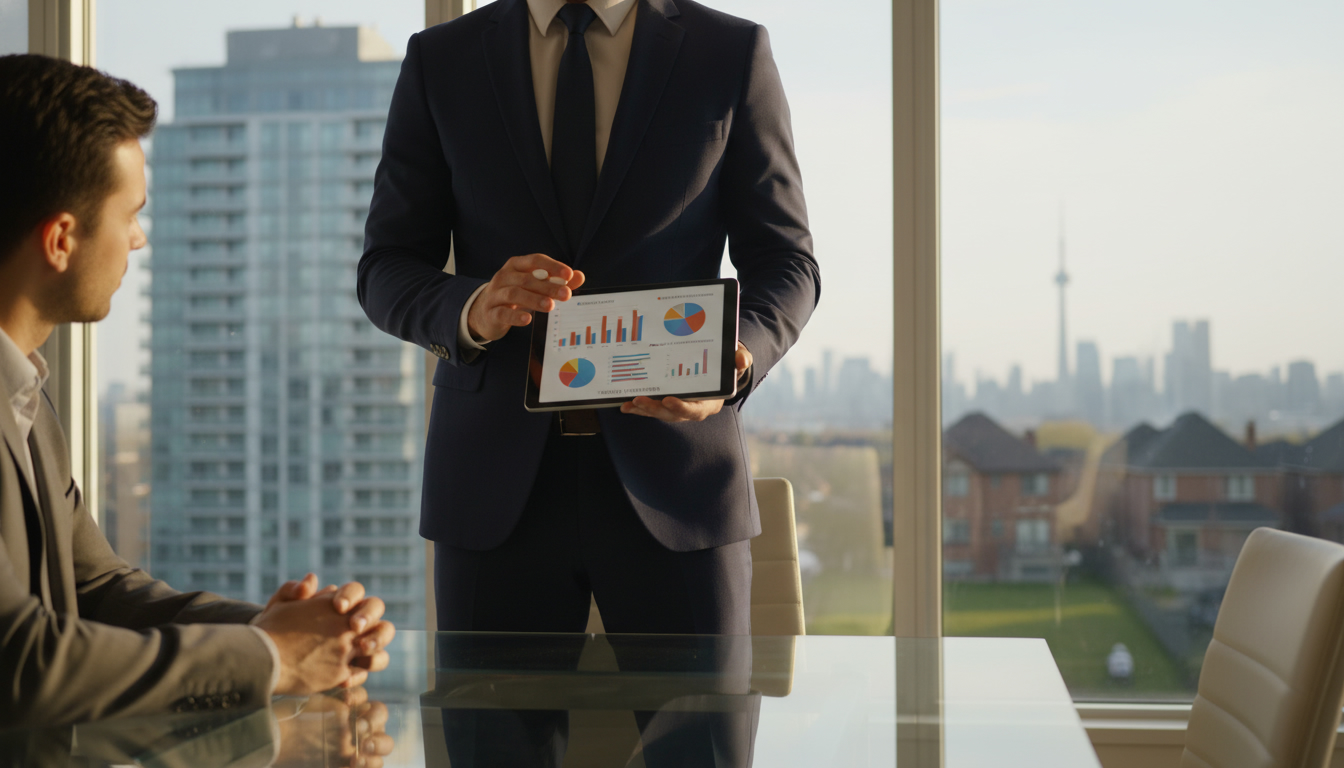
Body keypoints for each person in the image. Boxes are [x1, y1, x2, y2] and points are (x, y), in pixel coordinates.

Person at [360, 0, 818, 636]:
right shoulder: (441, 60)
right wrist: (472, 308)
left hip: (678, 481)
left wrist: (731, 358)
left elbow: (788, 262)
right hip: (492, 488)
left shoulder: (729, 52)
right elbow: (385, 267)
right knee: (483, 709)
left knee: (704, 708)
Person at [0, 53, 396, 727]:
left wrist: (281, 633)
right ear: (61, 238)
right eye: (131, 214)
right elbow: (23, 661)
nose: (139, 239)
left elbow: (96, 587)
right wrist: (273, 657)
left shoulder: (25, 392)